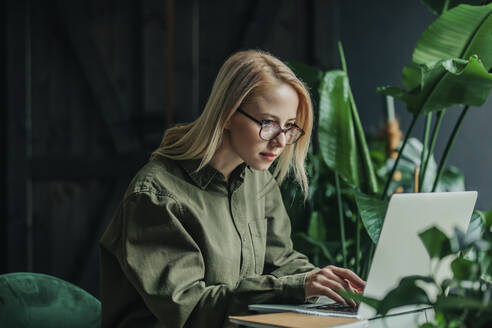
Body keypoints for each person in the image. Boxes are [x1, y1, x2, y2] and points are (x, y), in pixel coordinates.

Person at [99, 50, 365, 328]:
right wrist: (297, 287)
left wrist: (328, 285)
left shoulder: (258, 180)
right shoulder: (156, 196)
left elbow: (281, 262)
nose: (280, 141)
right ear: (226, 114)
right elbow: (191, 309)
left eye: (289, 127)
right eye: (268, 123)